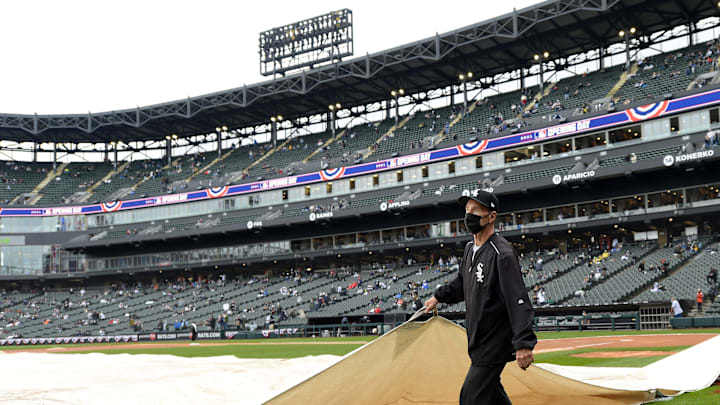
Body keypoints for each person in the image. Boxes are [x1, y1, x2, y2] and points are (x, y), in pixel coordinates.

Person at [424, 190, 536, 405]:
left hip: (494, 341)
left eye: (476, 211)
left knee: (470, 398)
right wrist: (438, 297)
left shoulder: (501, 253)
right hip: (477, 338)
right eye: (467, 211)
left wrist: (524, 343)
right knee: (492, 395)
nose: (469, 216)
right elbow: (461, 284)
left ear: (491, 216)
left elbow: (518, 298)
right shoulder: (469, 249)